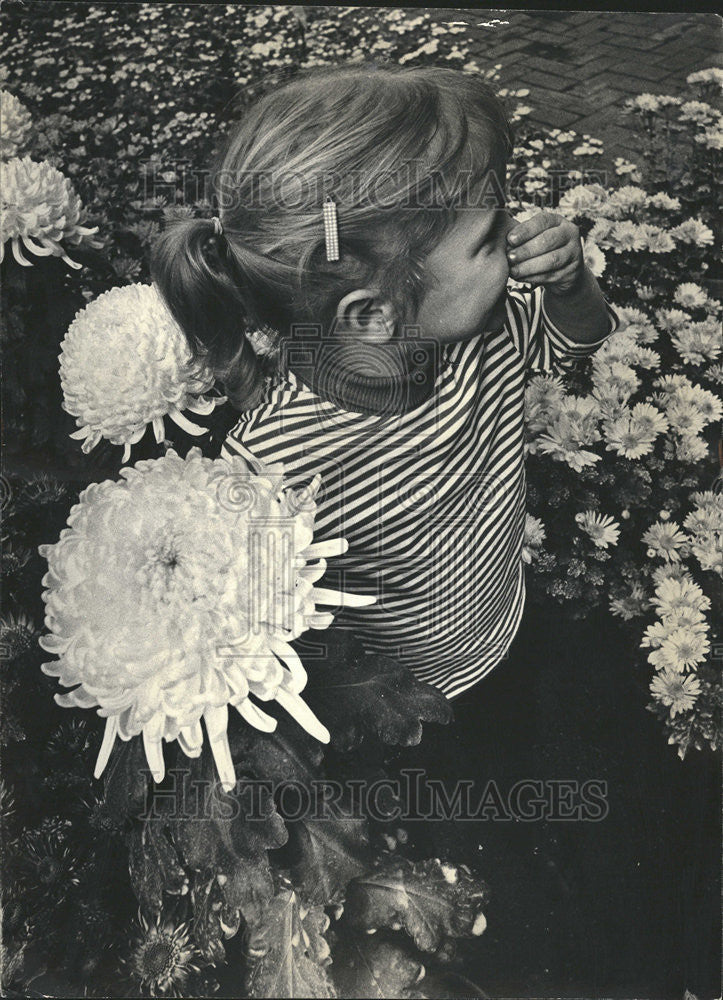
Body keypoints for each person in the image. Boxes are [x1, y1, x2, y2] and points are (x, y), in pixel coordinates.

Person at [151, 64, 619, 700]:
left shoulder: (490, 331)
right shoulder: (272, 465)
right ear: (374, 315)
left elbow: (583, 337)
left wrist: (571, 283)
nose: (517, 235)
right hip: (410, 700)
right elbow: (271, 630)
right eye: (489, 237)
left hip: (504, 614)